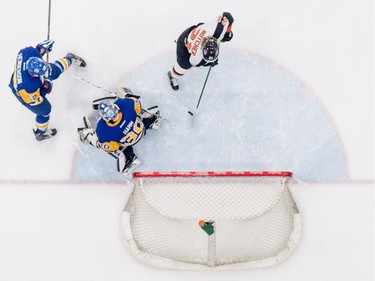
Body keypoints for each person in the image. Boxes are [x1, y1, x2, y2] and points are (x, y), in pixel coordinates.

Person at [9, 40, 86, 141]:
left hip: (26, 77)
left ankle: (69, 59)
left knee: (53, 70)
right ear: (33, 74)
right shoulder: (29, 87)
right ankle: (40, 133)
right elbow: (39, 97)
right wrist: (47, 85)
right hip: (24, 96)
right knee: (45, 111)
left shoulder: (29, 52)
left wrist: (41, 49)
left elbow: (37, 50)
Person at [78, 88, 162, 174]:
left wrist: (95, 141)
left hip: (129, 143)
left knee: (109, 145)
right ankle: (153, 120)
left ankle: (129, 159)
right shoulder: (127, 104)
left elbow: (109, 147)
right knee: (139, 113)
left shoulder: (103, 131)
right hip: (142, 130)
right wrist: (122, 97)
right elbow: (134, 101)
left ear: (105, 118)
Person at [167, 12, 234, 90]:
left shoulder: (217, 31)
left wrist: (227, 32)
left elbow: (227, 16)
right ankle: (172, 76)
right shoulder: (197, 57)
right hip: (183, 43)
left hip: (199, 30)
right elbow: (192, 63)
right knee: (184, 65)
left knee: (226, 37)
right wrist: (207, 63)